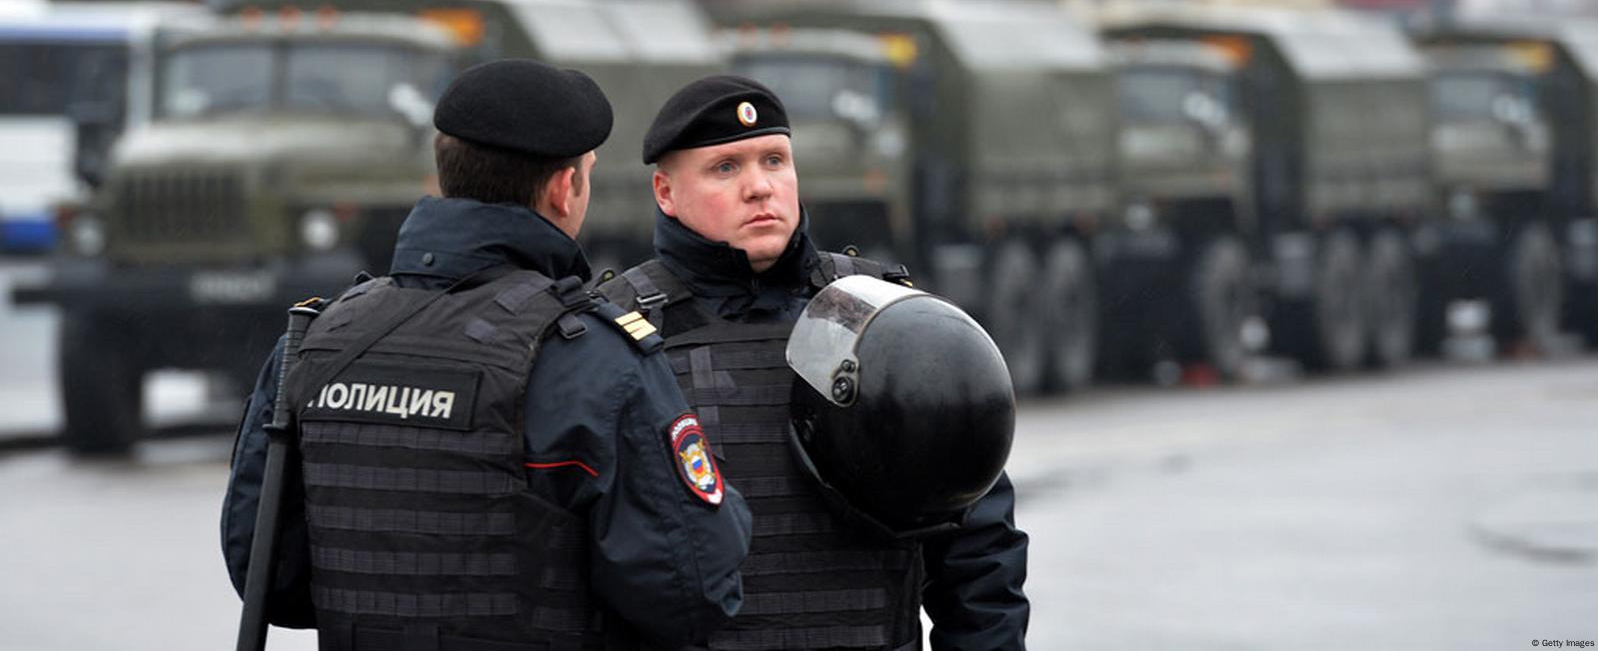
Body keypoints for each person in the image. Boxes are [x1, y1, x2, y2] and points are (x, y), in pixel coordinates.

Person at [220, 59, 752, 651]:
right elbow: (692, 591)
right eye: (587, 175)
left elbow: (267, 573)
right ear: (563, 188)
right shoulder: (590, 357)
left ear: (446, 174)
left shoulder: (316, 339)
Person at [598, 75, 1029, 651]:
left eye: (774, 160)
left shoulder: (882, 317)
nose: (759, 187)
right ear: (665, 192)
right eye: (725, 168)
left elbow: (976, 549)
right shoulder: (615, 335)